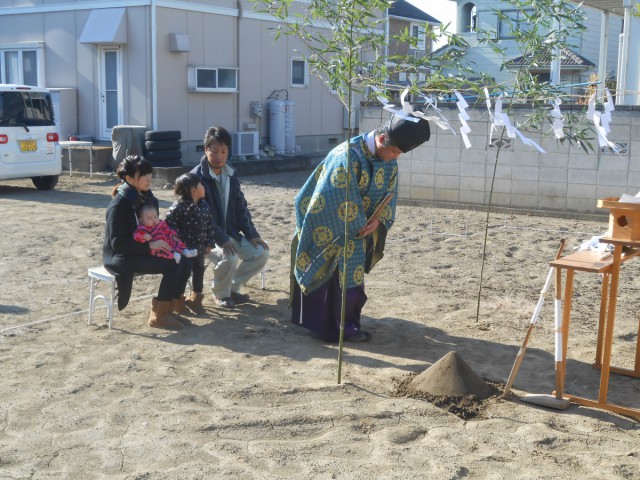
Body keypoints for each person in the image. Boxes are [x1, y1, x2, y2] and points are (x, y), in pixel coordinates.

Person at [290, 115, 431, 343]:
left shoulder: (388, 159)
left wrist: (379, 221)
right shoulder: (346, 156)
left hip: (361, 228)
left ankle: (348, 326)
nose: (395, 158)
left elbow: (390, 195)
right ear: (382, 138)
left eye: (398, 154)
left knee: (352, 281)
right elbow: (333, 196)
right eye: (394, 152)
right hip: (334, 224)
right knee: (334, 279)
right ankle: (331, 329)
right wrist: (357, 224)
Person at [103, 154, 193, 330]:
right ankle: (159, 316)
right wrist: (150, 245)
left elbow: (156, 227)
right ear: (129, 179)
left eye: (149, 174)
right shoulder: (119, 205)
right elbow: (118, 244)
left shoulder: (148, 197)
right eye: (143, 175)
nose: (148, 179)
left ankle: (168, 310)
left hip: (145, 249)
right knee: (172, 265)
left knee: (185, 260)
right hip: (123, 256)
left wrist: (169, 237)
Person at [191, 126, 269, 308]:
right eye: (214, 151)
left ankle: (232, 289)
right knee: (230, 257)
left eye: (223, 151)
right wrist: (223, 239)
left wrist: (252, 234)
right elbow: (203, 216)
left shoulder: (230, 174)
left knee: (261, 253)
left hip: (231, 233)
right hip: (206, 237)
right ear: (205, 150)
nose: (219, 155)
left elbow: (241, 208)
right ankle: (220, 294)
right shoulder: (196, 178)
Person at [166, 173, 217, 315]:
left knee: (199, 271)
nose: (203, 186)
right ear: (193, 190)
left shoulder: (204, 205)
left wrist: (210, 242)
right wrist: (175, 236)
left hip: (200, 248)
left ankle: (195, 299)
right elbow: (169, 222)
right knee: (184, 273)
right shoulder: (179, 206)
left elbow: (210, 225)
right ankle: (178, 300)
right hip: (184, 250)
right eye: (200, 184)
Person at [133, 203, 198, 264]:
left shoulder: (161, 223)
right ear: (141, 220)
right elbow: (136, 235)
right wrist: (144, 235)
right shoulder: (142, 228)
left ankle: (186, 251)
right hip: (157, 244)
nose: (153, 220)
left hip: (168, 239)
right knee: (158, 251)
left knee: (177, 242)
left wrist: (173, 234)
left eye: (155, 217)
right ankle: (174, 255)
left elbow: (168, 229)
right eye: (149, 218)